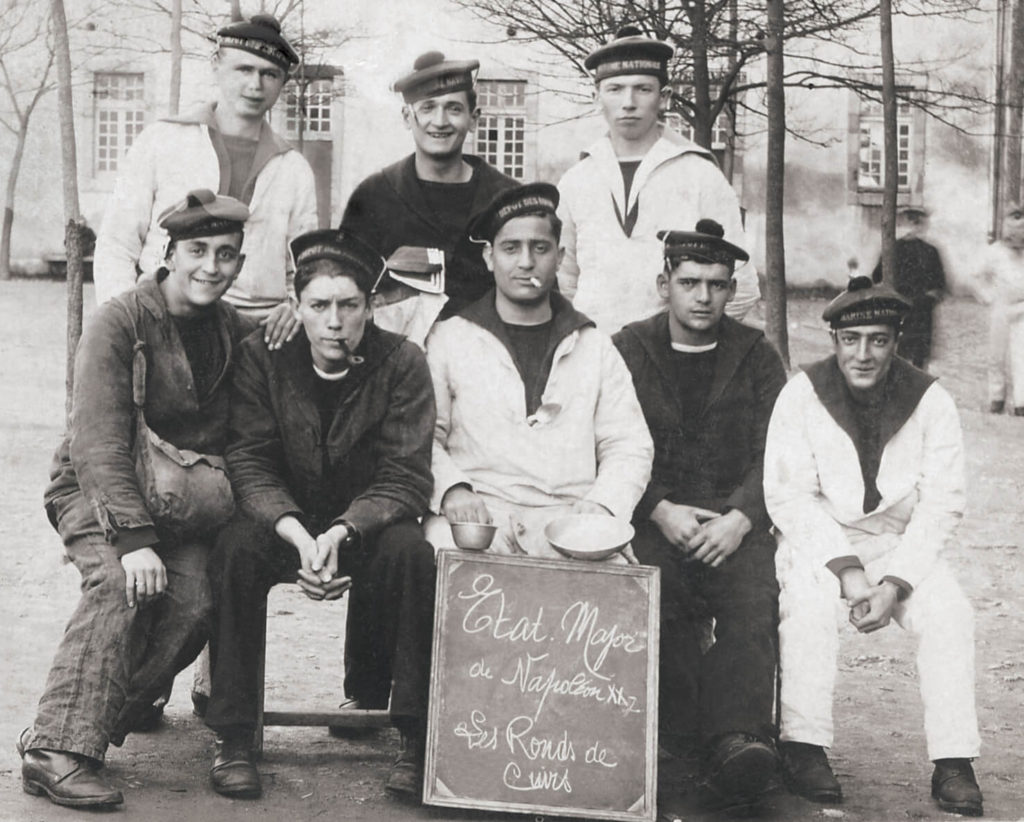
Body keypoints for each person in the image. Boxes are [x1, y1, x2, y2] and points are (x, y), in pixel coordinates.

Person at [19, 190, 252, 810]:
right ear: (168, 253)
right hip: (99, 493)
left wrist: (292, 322)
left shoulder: (236, 332)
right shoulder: (120, 322)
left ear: (240, 263)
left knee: (195, 603)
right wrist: (132, 540)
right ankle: (55, 750)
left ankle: (98, 717)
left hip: (182, 505)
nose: (211, 266)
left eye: (226, 255)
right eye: (197, 251)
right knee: (121, 586)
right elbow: (95, 441)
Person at [203, 229, 437, 801]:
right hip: (281, 522)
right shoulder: (262, 357)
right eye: (319, 306)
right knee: (231, 550)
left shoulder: (403, 361)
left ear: (371, 304)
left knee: (413, 553)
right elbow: (249, 459)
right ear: (296, 304)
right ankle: (234, 736)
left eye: (349, 305)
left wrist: (340, 530)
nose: (334, 321)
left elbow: (405, 474)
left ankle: (414, 734)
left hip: (364, 526)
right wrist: (296, 531)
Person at [763, 277, 983, 816]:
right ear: (834, 339)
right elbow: (789, 496)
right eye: (851, 338)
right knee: (808, 607)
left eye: (878, 339)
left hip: (898, 545)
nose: (863, 354)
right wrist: (849, 573)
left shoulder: (931, 400)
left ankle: (954, 760)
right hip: (821, 541)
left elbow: (942, 503)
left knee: (951, 613)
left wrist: (894, 583)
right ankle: (805, 746)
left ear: (897, 340)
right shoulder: (802, 392)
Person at [612, 219, 786, 807]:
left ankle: (737, 739)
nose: (704, 296)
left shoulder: (756, 355)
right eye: (691, 282)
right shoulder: (627, 349)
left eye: (717, 284)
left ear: (732, 288)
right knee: (657, 598)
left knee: (752, 598)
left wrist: (740, 517)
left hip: (734, 524)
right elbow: (606, 442)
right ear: (665, 284)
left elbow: (779, 453)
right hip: (654, 518)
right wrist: (657, 508)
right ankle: (676, 736)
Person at [424, 183, 653, 557]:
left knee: (611, 589)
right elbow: (423, 435)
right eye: (511, 248)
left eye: (540, 248)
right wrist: (452, 489)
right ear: (488, 257)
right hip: (480, 514)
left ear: (560, 256)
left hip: (568, 519)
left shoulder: (594, 346)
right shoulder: (450, 339)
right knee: (444, 560)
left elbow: (628, 444)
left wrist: (603, 506)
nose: (526, 262)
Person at [93, 14, 317, 350]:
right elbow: (116, 244)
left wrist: (296, 309)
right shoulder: (162, 140)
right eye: (244, 69)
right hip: (166, 321)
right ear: (217, 67)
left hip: (259, 332)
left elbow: (306, 267)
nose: (256, 85)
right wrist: (128, 323)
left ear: (282, 82)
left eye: (269, 74)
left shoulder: (294, 168)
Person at [556, 26, 759, 333]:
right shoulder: (576, 180)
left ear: (664, 97)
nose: (628, 102)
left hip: (673, 365)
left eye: (643, 89)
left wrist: (690, 345)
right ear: (595, 96)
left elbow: (741, 285)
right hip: (594, 358)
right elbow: (564, 281)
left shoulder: (700, 174)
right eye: (615, 89)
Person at [340, 50, 518, 343]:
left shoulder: (506, 197)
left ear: (474, 119)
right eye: (427, 108)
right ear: (407, 117)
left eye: (454, 108)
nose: (440, 121)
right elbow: (345, 286)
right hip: (398, 360)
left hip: (489, 357)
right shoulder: (373, 196)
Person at [871, 206, 946, 369]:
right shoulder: (893, 249)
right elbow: (877, 276)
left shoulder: (929, 251)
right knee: (902, 354)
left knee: (916, 356)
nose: (913, 225)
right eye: (910, 220)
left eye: (916, 221)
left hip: (919, 310)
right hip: (904, 308)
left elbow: (940, 284)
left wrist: (930, 297)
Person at [975, 205, 1024, 416]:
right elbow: (976, 277)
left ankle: (1021, 402)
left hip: (1023, 308)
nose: (1016, 237)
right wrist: (986, 296)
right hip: (1000, 307)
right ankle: (996, 397)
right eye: (1012, 231)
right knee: (996, 355)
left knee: (1021, 355)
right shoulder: (994, 252)